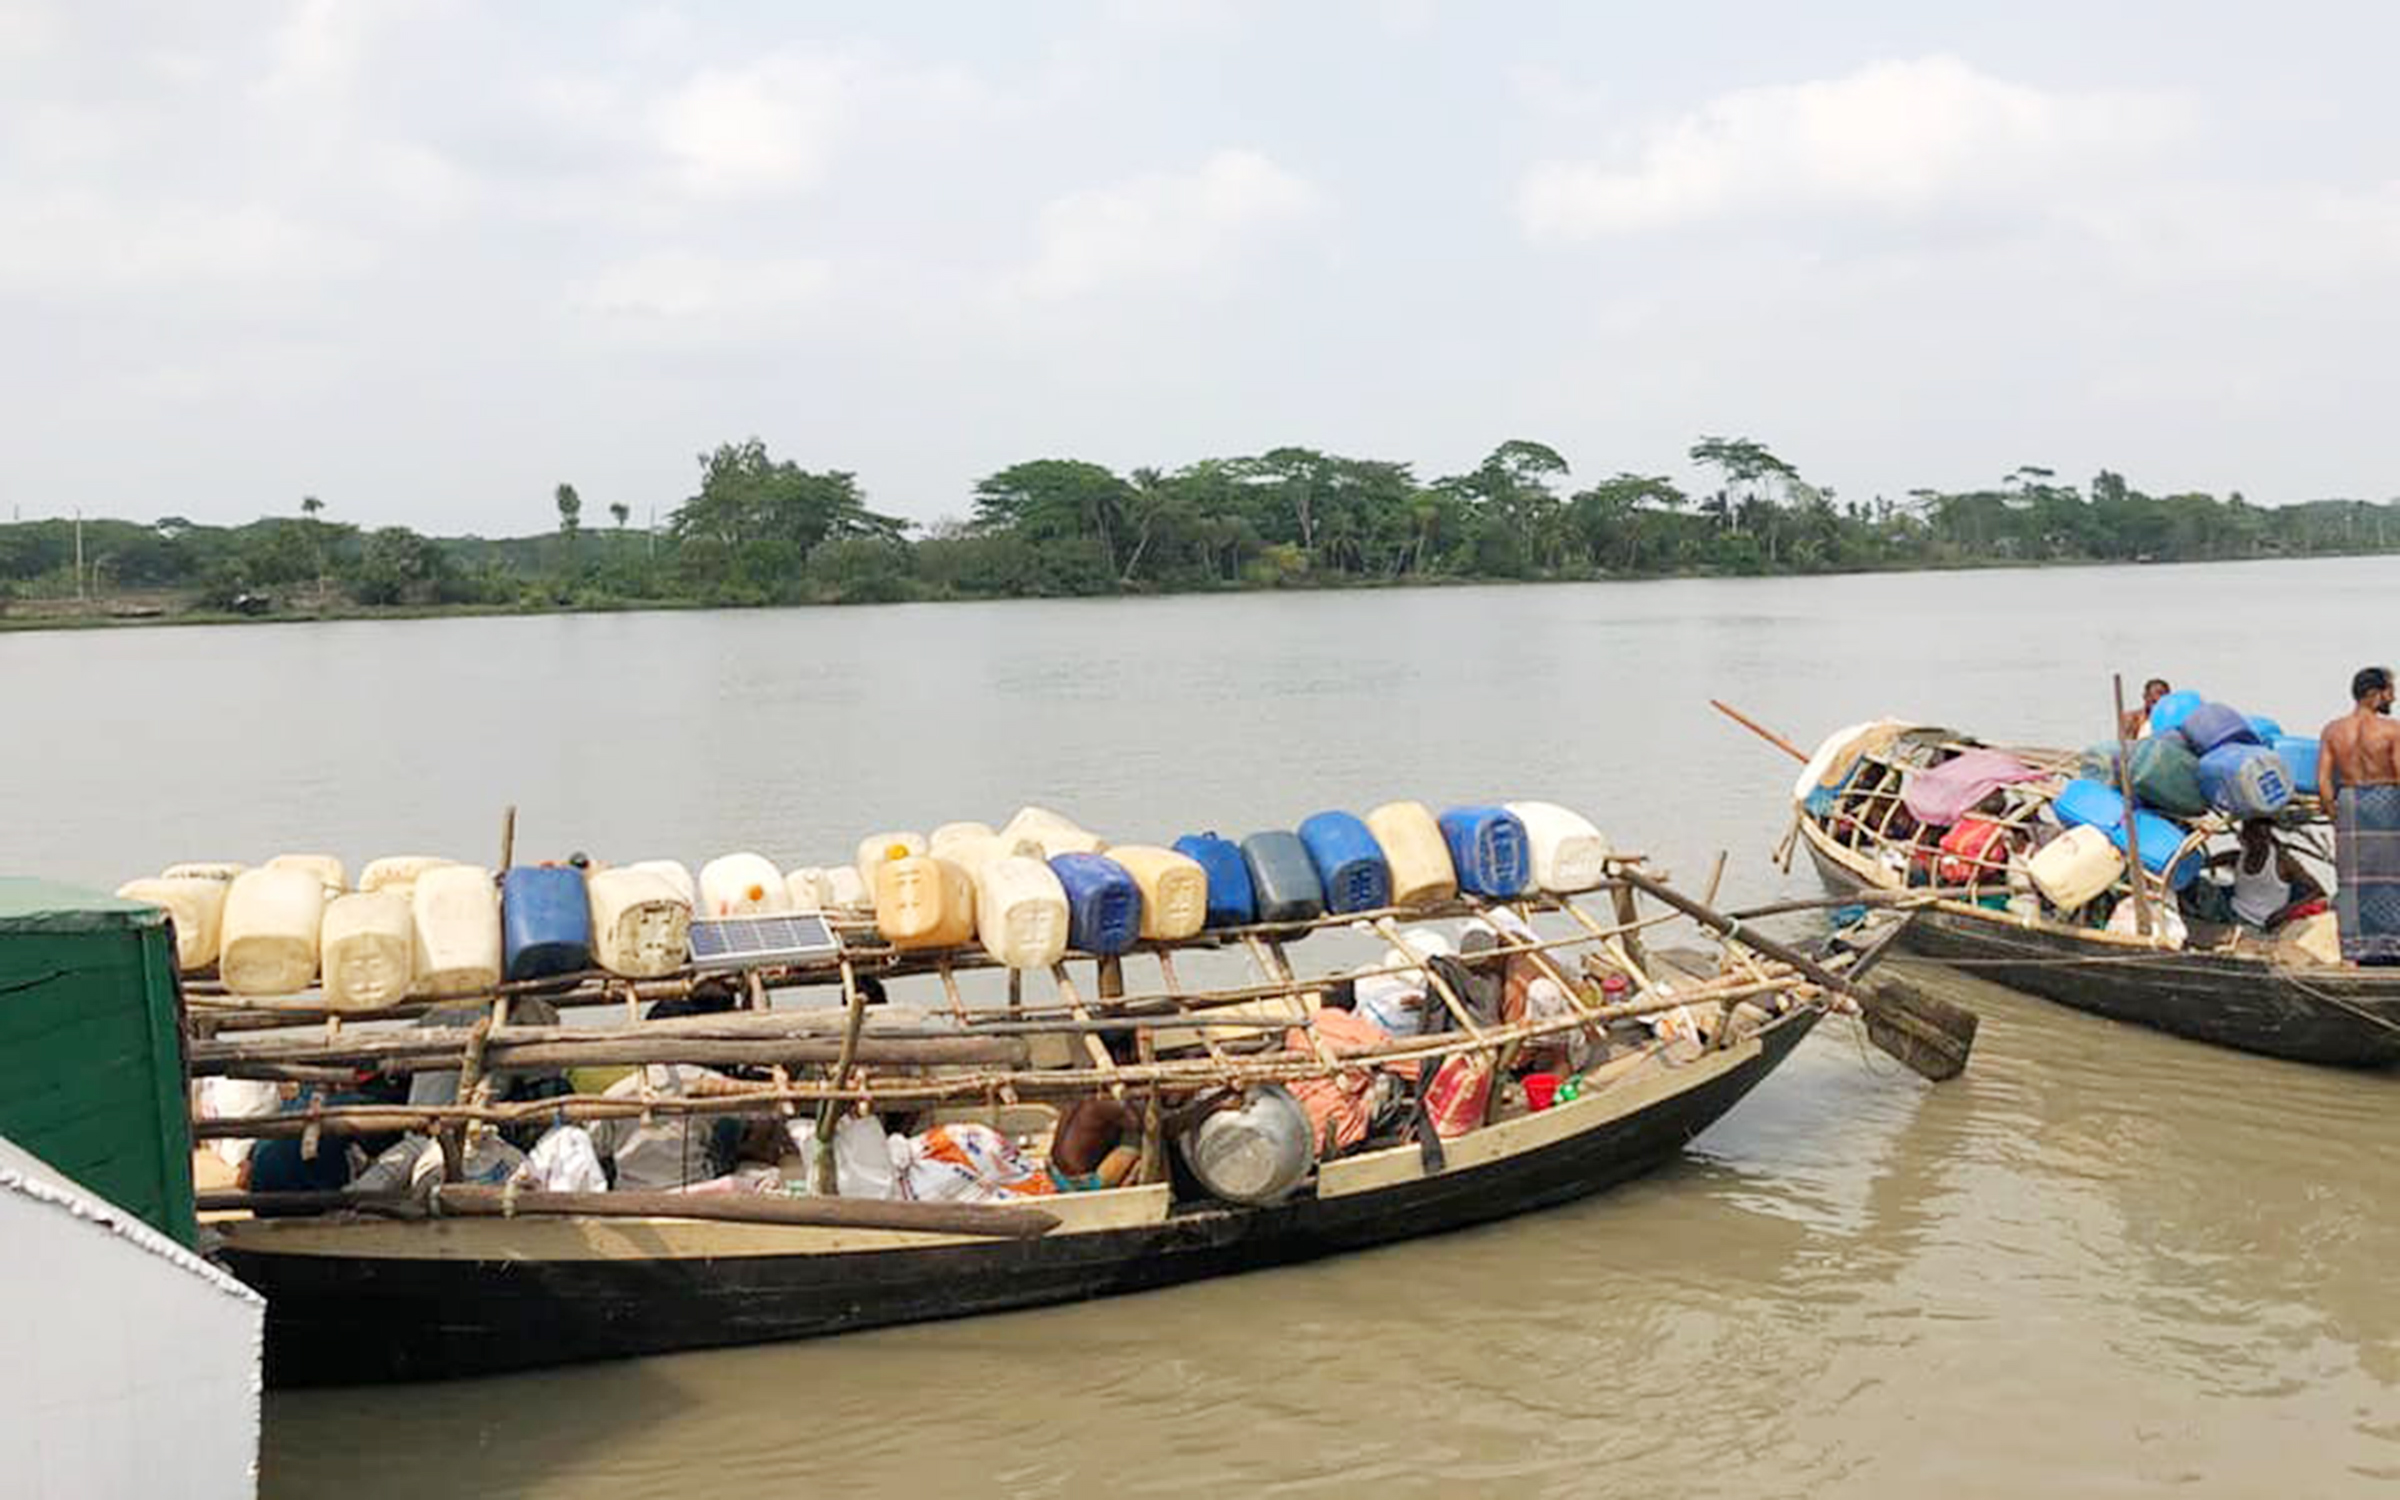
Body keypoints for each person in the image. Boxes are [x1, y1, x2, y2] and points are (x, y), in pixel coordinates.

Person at [2319, 666, 2400, 963]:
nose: (2394, 696)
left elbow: (2324, 783)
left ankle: (2359, 950)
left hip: (2350, 801)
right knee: (2392, 878)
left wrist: (2334, 814)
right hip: (2388, 802)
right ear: (2374, 694)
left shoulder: (2333, 730)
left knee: (2354, 881)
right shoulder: (2392, 729)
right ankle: (2394, 949)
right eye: (2390, 690)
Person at [2206, 819, 2326, 933]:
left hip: (2259, 923)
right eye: (2254, 836)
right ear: (2245, 836)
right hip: (2232, 913)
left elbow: (2317, 890)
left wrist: (2285, 912)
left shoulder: (2283, 862)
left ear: (2268, 837)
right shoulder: (2237, 856)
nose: (2258, 841)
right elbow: (2204, 862)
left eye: (2262, 837)